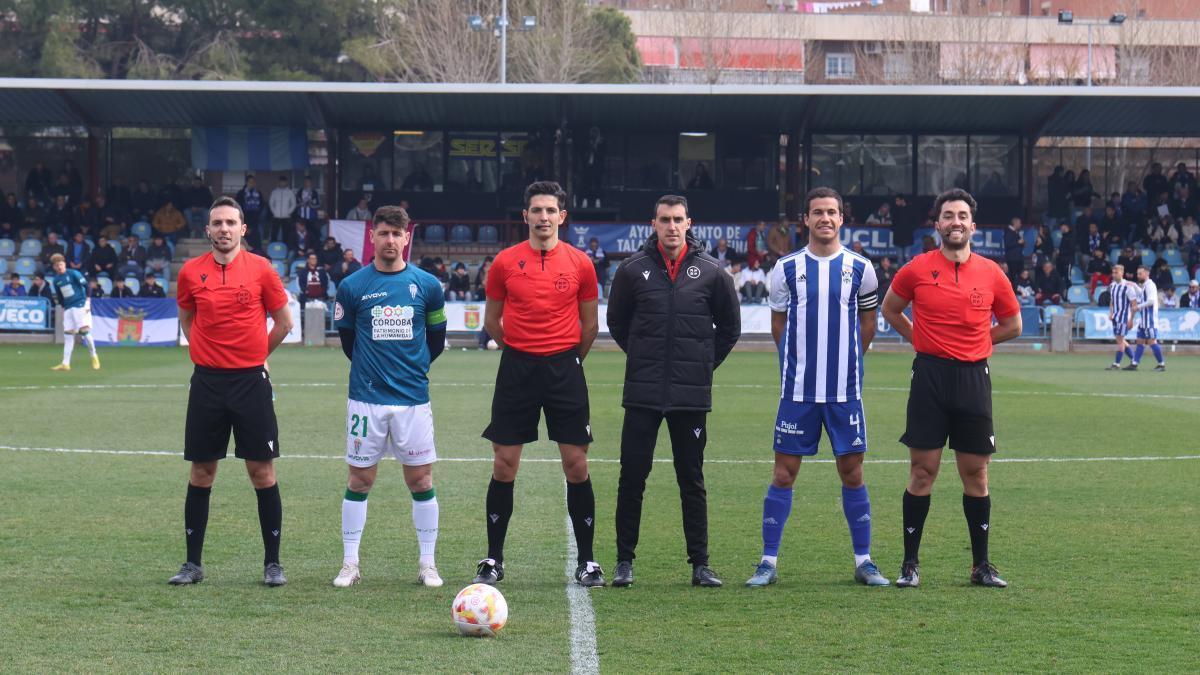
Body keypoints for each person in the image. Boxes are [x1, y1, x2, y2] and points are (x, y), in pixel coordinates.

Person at [745, 187, 888, 589]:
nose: (825, 219)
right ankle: (767, 562)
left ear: (842, 219)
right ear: (805, 220)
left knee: (853, 473)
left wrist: (847, 365)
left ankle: (864, 561)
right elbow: (779, 325)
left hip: (845, 393)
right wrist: (799, 364)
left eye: (832, 212)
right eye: (817, 213)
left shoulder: (862, 269)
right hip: (798, 393)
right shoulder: (786, 268)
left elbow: (868, 325)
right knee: (783, 474)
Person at [880, 188, 1022, 589]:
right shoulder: (916, 268)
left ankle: (981, 566)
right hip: (929, 377)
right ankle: (910, 564)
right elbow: (890, 309)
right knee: (922, 471)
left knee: (976, 474)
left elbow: (1013, 325)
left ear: (972, 226)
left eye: (962, 215)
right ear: (937, 223)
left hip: (973, 378)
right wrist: (918, 337)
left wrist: (979, 342)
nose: (955, 222)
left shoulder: (992, 273)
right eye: (948, 215)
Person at [605, 194, 740, 589]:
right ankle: (624, 562)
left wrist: (700, 365)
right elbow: (617, 322)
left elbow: (729, 329)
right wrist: (647, 358)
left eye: (678, 219)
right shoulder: (632, 270)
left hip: (689, 396)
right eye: (665, 219)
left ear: (689, 223)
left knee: (691, 478)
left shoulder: (713, 272)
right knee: (632, 476)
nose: (672, 226)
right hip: (643, 394)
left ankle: (700, 564)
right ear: (654, 224)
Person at [473, 181, 602, 588]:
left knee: (576, 464)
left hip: (565, 368)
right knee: (504, 463)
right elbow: (493, 321)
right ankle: (494, 558)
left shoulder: (581, 263)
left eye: (550, 210)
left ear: (562, 216)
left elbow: (590, 325)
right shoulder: (505, 263)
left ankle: (587, 561)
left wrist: (567, 360)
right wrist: (521, 351)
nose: (543, 217)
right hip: (518, 369)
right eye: (536, 210)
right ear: (525, 216)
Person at [168, 196, 293, 587]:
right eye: (217, 223)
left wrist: (256, 355)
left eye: (230, 223)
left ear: (243, 229)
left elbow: (285, 323)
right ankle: (192, 565)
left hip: (250, 382)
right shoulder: (190, 272)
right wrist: (206, 352)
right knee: (202, 471)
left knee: (262, 471)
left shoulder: (261, 270)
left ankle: (273, 564)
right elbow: (187, 320)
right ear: (208, 230)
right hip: (207, 383)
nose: (223, 229)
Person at [330, 205, 448, 589]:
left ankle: (427, 564)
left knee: (420, 478)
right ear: (372, 237)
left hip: (413, 399)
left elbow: (436, 342)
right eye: (383, 233)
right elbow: (349, 342)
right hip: (366, 400)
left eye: (397, 234)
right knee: (360, 478)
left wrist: (411, 370)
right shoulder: (352, 286)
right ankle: (350, 563)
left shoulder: (427, 286)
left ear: (407, 237)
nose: (390, 241)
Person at [47, 253, 100, 371]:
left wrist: (87, 302)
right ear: (54, 267)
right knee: (68, 334)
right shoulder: (56, 280)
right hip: (69, 308)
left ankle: (94, 355)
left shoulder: (73, 273)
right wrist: (63, 307)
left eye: (61, 264)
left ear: (64, 263)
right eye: (57, 265)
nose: (59, 267)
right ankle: (65, 363)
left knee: (84, 331)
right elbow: (60, 296)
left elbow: (87, 286)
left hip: (80, 305)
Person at [1125, 265, 1166, 371]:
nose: (1138, 275)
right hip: (1144, 319)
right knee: (1139, 341)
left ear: (1147, 273)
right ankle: (1134, 363)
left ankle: (1161, 364)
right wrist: (1134, 285)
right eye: (1138, 273)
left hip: (1150, 320)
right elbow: (1142, 295)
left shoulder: (1150, 285)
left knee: (1152, 342)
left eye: (1140, 273)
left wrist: (1137, 307)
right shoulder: (1145, 285)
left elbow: (1151, 301)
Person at [268, 176, 296, 243]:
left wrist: (289, 212)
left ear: (286, 183)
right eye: (281, 182)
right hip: (276, 216)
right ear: (279, 182)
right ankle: (273, 247)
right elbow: (271, 203)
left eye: (284, 182)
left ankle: (285, 248)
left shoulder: (290, 192)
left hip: (286, 217)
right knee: (274, 233)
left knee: (286, 233)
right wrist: (274, 212)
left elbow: (294, 203)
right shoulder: (275, 192)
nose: (282, 183)